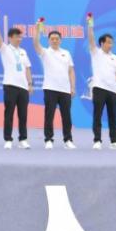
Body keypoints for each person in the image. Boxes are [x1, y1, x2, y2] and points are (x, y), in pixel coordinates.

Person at [0, 10, 33, 149]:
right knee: (9, 113)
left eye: (20, 37)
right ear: (10, 38)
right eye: (16, 37)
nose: (19, 39)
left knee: (23, 115)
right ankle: (8, 139)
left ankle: (23, 139)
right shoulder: (5, 49)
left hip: (23, 87)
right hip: (10, 85)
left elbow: (27, 68)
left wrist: (30, 84)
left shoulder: (23, 52)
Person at [33, 22, 76, 150]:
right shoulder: (45, 52)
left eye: (57, 39)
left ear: (60, 40)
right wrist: (37, 30)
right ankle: (48, 139)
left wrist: (72, 87)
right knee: (49, 115)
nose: (55, 41)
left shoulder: (66, 53)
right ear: (49, 40)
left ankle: (68, 140)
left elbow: (71, 71)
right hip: (50, 88)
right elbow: (36, 44)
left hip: (65, 89)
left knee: (66, 116)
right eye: (52, 39)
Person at [87, 17, 116, 150]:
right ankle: (97, 140)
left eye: (112, 43)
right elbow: (91, 39)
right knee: (98, 115)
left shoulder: (115, 57)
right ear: (102, 43)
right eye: (108, 42)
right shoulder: (96, 52)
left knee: (113, 117)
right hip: (99, 88)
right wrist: (90, 25)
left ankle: (114, 141)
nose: (110, 45)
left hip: (113, 90)